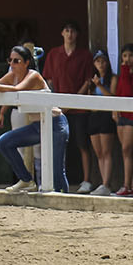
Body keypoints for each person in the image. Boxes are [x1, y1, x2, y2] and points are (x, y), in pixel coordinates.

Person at [0, 46, 69, 193]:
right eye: (10, 60)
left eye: (16, 61)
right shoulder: (12, 75)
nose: (12, 64)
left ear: (26, 63)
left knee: (57, 169)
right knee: (4, 142)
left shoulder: (34, 75)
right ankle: (26, 180)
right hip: (37, 125)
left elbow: (16, 90)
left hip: (55, 124)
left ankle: (65, 199)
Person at [41, 20, 96, 191]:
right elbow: (48, 80)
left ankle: (86, 180)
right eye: (67, 30)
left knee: (82, 144)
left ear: (77, 35)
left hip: (79, 107)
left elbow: (88, 80)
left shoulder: (85, 55)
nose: (70, 34)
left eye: (73, 31)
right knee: (57, 143)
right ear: (62, 33)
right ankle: (54, 178)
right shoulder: (53, 54)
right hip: (58, 107)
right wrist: (56, 101)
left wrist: (74, 100)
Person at [111, 43, 133, 196]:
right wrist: (115, 109)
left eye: (130, 55)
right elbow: (119, 93)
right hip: (122, 115)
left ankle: (127, 185)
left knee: (127, 149)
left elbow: (129, 92)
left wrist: (125, 71)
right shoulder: (121, 76)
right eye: (124, 56)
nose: (127, 59)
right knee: (128, 152)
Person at [83, 48, 118, 195]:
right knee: (99, 153)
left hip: (106, 115)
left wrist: (99, 85)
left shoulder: (112, 78)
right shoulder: (92, 79)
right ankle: (103, 183)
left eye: (103, 61)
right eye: (98, 61)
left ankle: (106, 184)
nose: (101, 64)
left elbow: (112, 96)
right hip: (94, 116)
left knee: (106, 151)